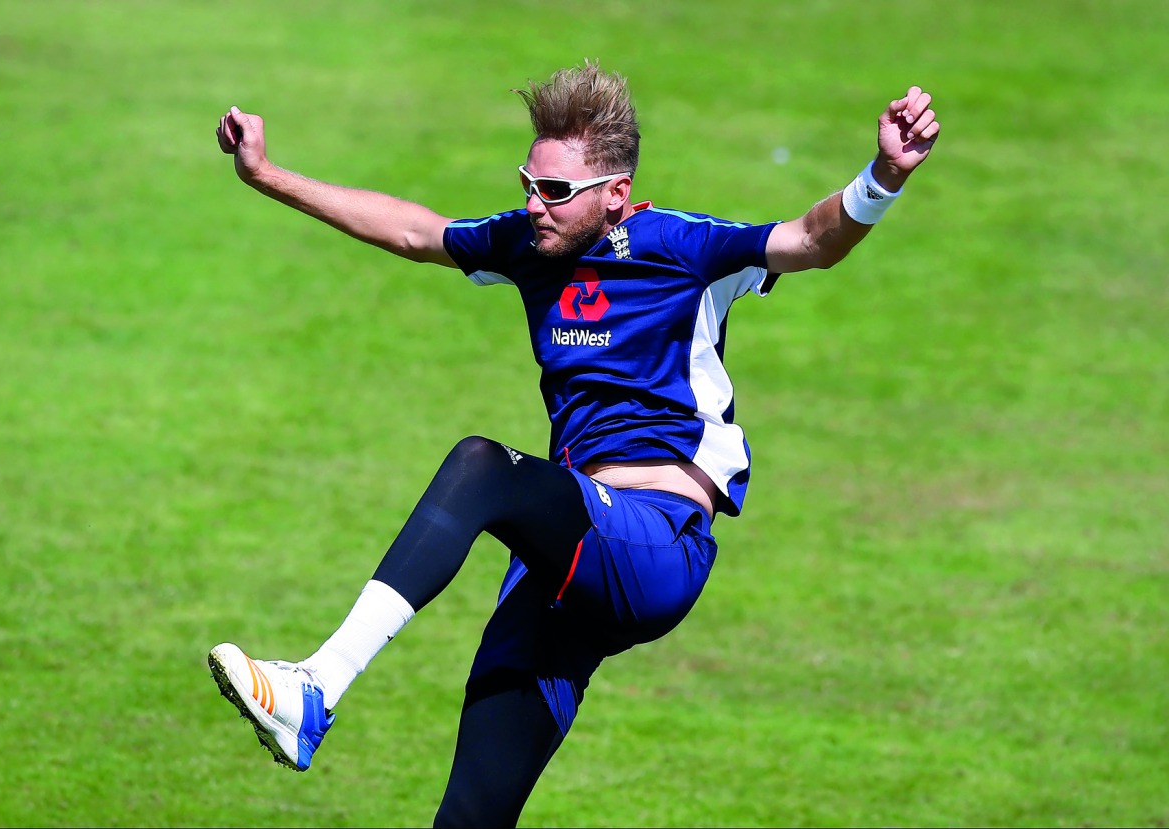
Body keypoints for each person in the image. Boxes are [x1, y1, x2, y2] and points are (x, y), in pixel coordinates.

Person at [207, 61, 940, 827]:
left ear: (615, 194)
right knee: (468, 816)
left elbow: (812, 239)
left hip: (653, 541)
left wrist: (882, 176)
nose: (534, 204)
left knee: (481, 466)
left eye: (554, 192)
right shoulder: (532, 246)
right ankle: (311, 699)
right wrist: (266, 175)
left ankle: (316, 685)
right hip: (564, 563)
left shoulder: (684, 250)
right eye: (529, 181)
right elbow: (416, 231)